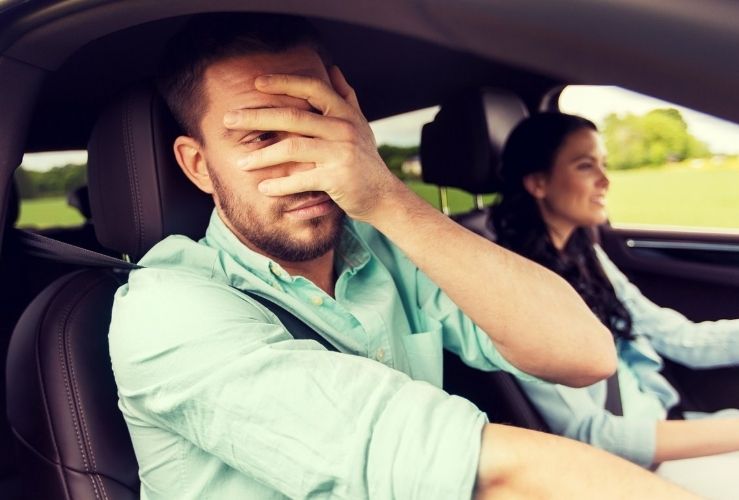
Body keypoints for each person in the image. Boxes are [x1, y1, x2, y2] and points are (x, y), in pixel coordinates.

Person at [108, 14, 692, 499]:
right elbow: (487, 471)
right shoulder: (166, 311)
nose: (307, 161)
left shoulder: (389, 250)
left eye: (319, 122)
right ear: (197, 166)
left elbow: (585, 355)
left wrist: (386, 197)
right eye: (263, 139)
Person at [492, 111, 739, 497]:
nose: (606, 180)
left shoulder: (584, 254)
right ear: (538, 182)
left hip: (664, 426)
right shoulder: (519, 290)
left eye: (603, 164)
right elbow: (592, 435)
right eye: (586, 166)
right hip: (632, 470)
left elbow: (679, 337)